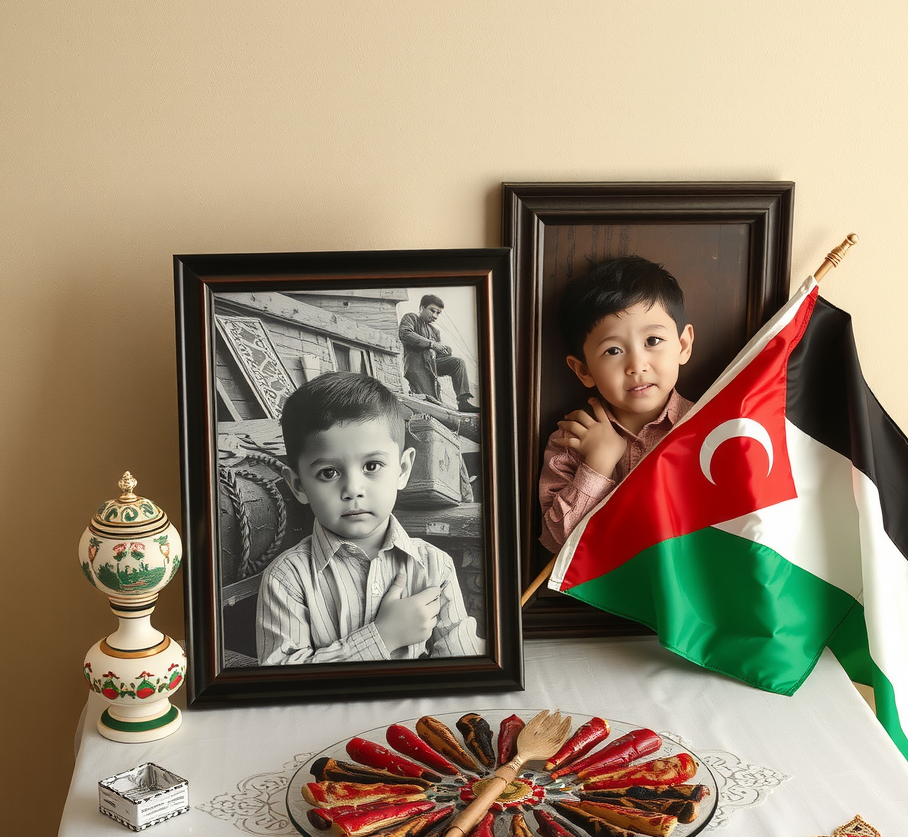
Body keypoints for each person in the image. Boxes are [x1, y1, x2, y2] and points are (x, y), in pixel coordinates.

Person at [255, 371, 485, 664]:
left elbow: (463, 666)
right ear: (299, 485)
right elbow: (278, 687)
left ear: (402, 469)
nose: (353, 489)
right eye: (328, 472)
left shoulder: (434, 566)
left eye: (372, 465)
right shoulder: (286, 579)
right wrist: (384, 636)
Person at [538, 256, 695, 553]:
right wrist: (599, 462)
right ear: (584, 370)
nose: (636, 365)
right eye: (613, 350)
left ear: (683, 345)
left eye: (653, 340)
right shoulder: (570, 440)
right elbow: (557, 542)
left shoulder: (709, 425)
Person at [398, 294, 480, 412]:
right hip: (417, 367)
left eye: (438, 313)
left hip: (432, 366)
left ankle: (463, 401)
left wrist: (445, 351)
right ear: (421, 308)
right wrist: (432, 344)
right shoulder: (411, 318)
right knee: (430, 401)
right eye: (432, 311)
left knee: (458, 362)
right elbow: (405, 334)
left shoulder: (434, 331)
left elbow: (435, 354)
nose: (435, 316)